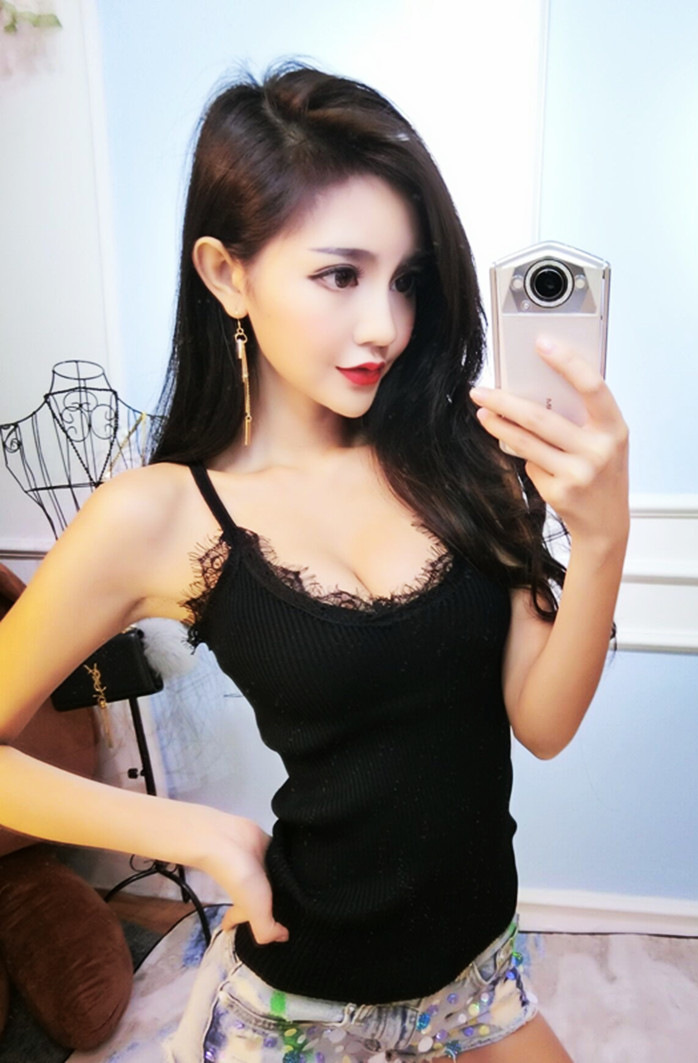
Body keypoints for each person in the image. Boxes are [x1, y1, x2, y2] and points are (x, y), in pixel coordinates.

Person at [0, 63, 629, 1062]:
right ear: (227, 274)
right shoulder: (161, 515)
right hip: (305, 1007)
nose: (386, 324)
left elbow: (542, 723)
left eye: (406, 279)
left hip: (479, 976)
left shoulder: (462, 456)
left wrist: (602, 538)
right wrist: (192, 832)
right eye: (341, 275)